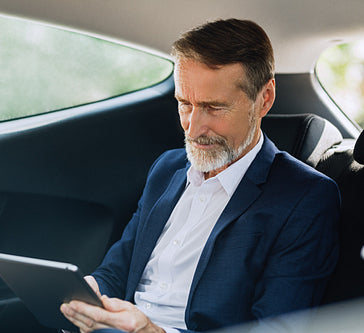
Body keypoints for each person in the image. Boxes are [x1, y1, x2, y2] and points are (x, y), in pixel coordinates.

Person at [60, 19, 340, 333]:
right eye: (185, 104)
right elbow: (116, 271)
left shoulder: (305, 198)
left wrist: (151, 332)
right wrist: (90, 293)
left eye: (214, 107)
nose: (193, 128)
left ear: (265, 99)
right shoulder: (167, 169)